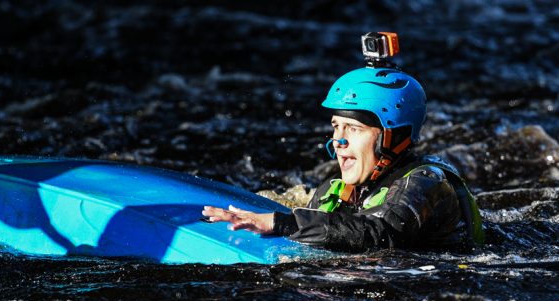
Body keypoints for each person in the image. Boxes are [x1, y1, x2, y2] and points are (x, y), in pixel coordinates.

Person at [202, 64, 484, 251]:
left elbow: (380, 233)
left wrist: (282, 222)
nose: (339, 140)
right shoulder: (336, 190)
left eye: (354, 128)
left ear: (394, 136)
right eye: (336, 126)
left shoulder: (426, 183)